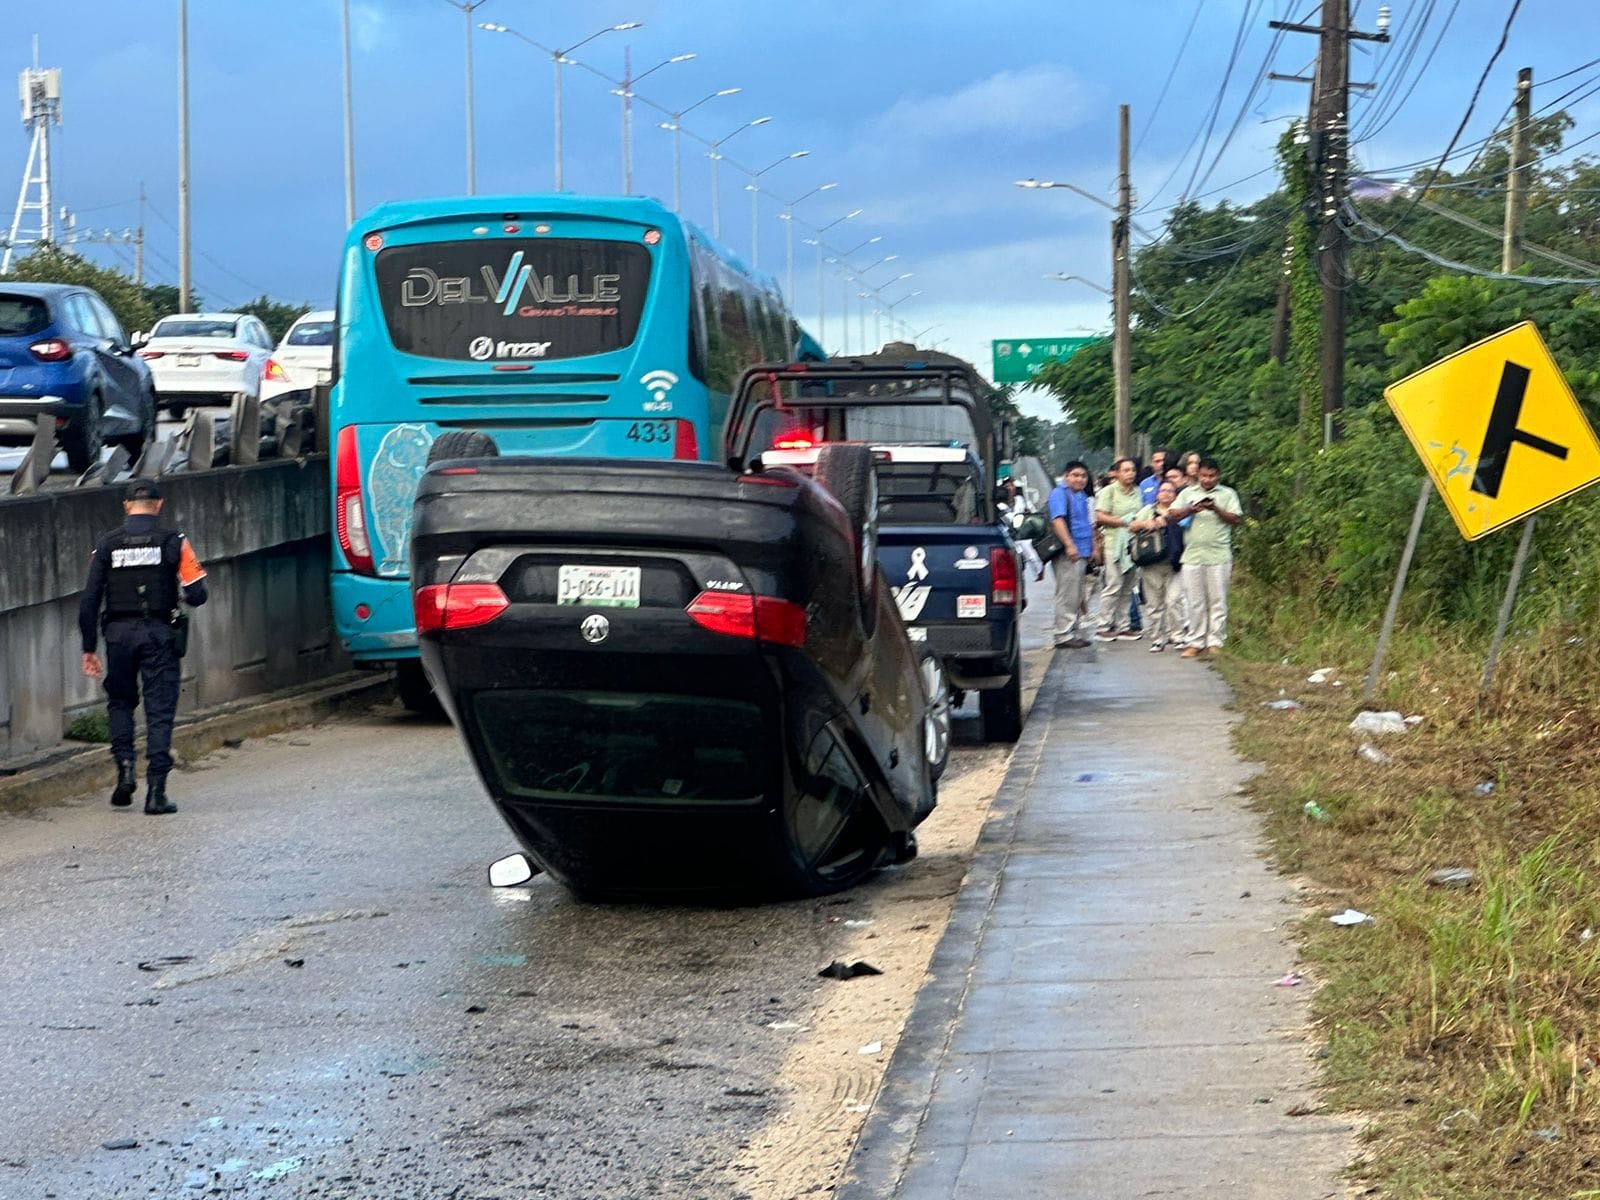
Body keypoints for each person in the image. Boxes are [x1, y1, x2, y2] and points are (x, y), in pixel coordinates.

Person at [79, 480, 209, 814]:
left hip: (118, 636)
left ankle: (124, 768)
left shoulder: (106, 544)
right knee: (159, 711)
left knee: (120, 702)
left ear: (126, 507)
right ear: (159, 504)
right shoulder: (174, 542)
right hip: (158, 635)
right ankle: (156, 792)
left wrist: (89, 647)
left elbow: (90, 599)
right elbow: (198, 594)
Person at [1168, 457, 1242, 659]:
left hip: (1219, 555)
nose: (1207, 480)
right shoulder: (1188, 493)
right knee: (1194, 601)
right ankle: (1195, 641)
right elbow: (1173, 513)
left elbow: (1236, 518)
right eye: (1204, 476)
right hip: (1192, 555)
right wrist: (1191, 509)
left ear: (1218, 476)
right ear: (1197, 475)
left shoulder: (1227, 494)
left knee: (1217, 600)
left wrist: (1216, 509)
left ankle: (1215, 641)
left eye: (1211, 476)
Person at [1093, 457, 1144, 642]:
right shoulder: (1109, 491)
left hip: (1133, 544)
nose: (1130, 473)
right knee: (1114, 585)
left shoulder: (1137, 491)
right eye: (1126, 470)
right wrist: (1124, 521)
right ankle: (1103, 625)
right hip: (1114, 544)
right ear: (1117, 473)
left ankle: (1124, 626)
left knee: (1129, 586)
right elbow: (1100, 516)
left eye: (1132, 470)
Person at [1128, 480, 1184, 651]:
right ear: (1157, 493)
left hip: (1174, 563)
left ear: (1175, 495)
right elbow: (1132, 526)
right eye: (1162, 490)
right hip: (1151, 563)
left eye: (1170, 491)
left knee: (1174, 601)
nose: (1165, 493)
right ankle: (1158, 638)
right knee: (1154, 604)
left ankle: (1177, 635)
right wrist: (1147, 524)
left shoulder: (1179, 511)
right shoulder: (1148, 510)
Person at [1046, 461, 1095, 648]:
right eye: (1075, 475)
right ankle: (1062, 634)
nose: (1079, 479)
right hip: (1069, 552)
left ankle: (1071, 630)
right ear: (1066, 476)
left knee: (1076, 594)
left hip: (1082, 551)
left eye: (1083, 476)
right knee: (1066, 594)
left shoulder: (1081, 495)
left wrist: (1091, 548)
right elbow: (1058, 520)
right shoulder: (1059, 494)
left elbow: (1087, 523)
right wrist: (1069, 544)